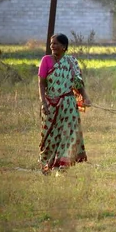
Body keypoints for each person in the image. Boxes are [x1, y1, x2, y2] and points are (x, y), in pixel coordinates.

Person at [38, 33, 91, 175]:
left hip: (69, 104)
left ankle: (63, 166)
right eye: (51, 43)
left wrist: (85, 97)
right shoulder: (46, 61)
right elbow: (41, 84)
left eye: (55, 43)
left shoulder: (71, 62)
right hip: (51, 104)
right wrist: (43, 102)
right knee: (49, 137)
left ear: (63, 46)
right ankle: (46, 164)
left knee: (70, 134)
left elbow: (78, 83)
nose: (52, 46)